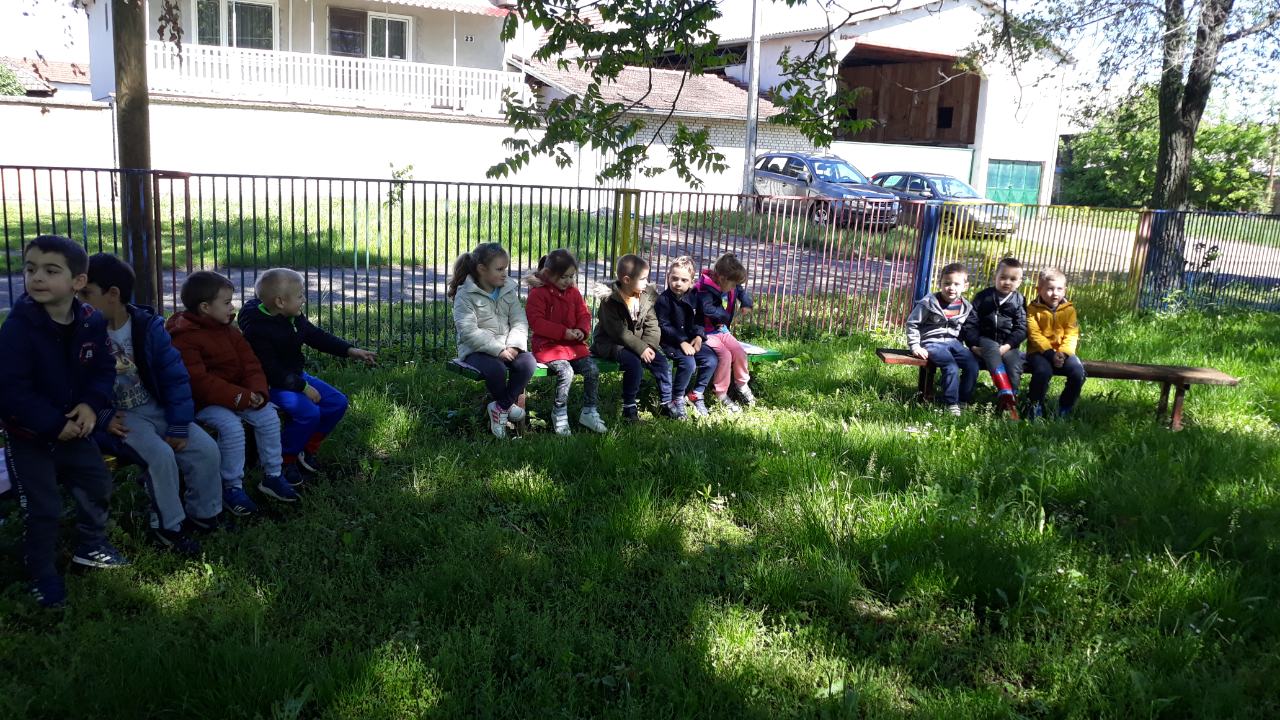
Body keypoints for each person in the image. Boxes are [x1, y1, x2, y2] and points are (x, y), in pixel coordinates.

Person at [0, 236, 128, 608]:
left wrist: (90, 405)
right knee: (43, 508)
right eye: (30, 269)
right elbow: (10, 390)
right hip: (30, 435)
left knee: (97, 483)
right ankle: (41, 574)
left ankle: (91, 545)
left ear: (77, 281)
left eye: (51, 270)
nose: (37, 277)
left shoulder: (90, 321)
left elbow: (103, 370)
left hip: (76, 429)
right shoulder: (19, 328)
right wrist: (53, 424)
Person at [83, 253, 223, 555]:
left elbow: (175, 377)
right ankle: (168, 527)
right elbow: (76, 385)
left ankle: (204, 514)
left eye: (86, 293)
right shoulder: (82, 332)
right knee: (159, 456)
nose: (79, 301)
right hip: (120, 418)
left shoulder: (148, 327)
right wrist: (103, 416)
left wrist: (179, 422)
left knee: (205, 449)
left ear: (112, 294)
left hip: (155, 408)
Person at [237, 268, 377, 487]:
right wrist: (303, 387)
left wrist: (349, 350)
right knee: (309, 413)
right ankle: (285, 459)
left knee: (337, 402)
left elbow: (314, 335)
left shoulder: (291, 316)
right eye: (300, 295)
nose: (304, 299)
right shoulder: (257, 330)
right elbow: (272, 371)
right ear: (280, 302)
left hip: (294, 376)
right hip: (270, 384)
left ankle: (306, 448)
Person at [167, 271, 286, 516]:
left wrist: (257, 392)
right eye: (227, 302)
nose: (233, 307)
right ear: (205, 307)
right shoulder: (184, 337)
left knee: (268, 416)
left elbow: (251, 364)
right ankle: (231, 486)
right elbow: (199, 383)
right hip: (204, 402)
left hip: (237, 395)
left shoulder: (229, 331)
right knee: (232, 428)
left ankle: (273, 475)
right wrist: (241, 397)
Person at [449, 243, 535, 439]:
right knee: (497, 369)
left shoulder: (507, 290)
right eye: (499, 269)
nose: (505, 274)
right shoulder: (465, 295)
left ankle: (500, 407)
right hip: (476, 351)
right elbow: (469, 332)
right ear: (482, 269)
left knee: (528, 362)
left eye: (506, 268)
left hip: (508, 347)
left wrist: (514, 346)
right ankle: (507, 406)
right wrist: (498, 350)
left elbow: (519, 320)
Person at [524, 249, 608, 436]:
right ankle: (559, 412)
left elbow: (584, 314)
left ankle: (589, 411)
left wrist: (581, 330)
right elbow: (537, 322)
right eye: (563, 277)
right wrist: (563, 332)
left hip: (573, 347)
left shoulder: (573, 292)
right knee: (566, 371)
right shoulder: (538, 294)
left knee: (592, 370)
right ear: (548, 274)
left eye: (571, 276)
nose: (568, 281)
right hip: (548, 347)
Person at [590, 254, 673, 423]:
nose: (646, 282)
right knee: (633, 363)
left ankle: (667, 403)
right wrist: (640, 348)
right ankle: (629, 408)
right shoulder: (610, 300)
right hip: (611, 343)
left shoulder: (645, 296)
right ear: (627, 280)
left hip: (638, 344)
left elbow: (652, 324)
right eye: (642, 279)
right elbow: (617, 331)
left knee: (661, 363)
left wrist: (648, 347)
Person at [905, 262, 979, 415]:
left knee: (972, 364)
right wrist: (915, 346)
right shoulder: (929, 303)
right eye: (947, 283)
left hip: (954, 343)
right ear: (940, 283)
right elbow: (912, 323)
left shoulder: (966, 307)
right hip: (932, 343)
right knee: (950, 366)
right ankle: (951, 403)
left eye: (956, 284)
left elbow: (968, 329)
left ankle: (963, 400)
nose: (951, 288)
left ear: (965, 286)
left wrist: (974, 346)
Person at [655, 256, 719, 418]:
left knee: (711, 360)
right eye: (674, 278)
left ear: (691, 282)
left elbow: (700, 319)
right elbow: (664, 325)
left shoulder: (694, 297)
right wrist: (681, 341)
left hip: (691, 340)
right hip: (671, 343)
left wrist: (699, 336)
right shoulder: (663, 300)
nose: (678, 283)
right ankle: (677, 397)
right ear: (668, 277)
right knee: (689, 364)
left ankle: (696, 393)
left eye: (684, 280)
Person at [693, 253, 756, 413]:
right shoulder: (704, 289)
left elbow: (739, 290)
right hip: (706, 333)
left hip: (721, 330)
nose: (735, 287)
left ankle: (742, 384)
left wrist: (746, 302)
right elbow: (707, 309)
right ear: (722, 278)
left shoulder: (728, 282)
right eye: (733, 284)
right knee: (725, 355)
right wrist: (725, 316)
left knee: (739, 351)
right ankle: (721, 393)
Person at [963, 257, 1028, 407]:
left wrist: (1008, 345)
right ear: (995, 277)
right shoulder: (983, 297)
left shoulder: (1019, 301)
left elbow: (1022, 327)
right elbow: (970, 323)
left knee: (1014, 364)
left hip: (1009, 345)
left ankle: (1009, 401)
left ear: (1019, 282)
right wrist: (973, 345)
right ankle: (1003, 388)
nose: (1007, 282)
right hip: (985, 340)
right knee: (991, 348)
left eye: (1013, 279)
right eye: (1003, 277)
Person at [1025, 267, 1086, 418]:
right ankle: (1035, 406)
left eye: (1059, 289)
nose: (1055, 293)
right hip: (1039, 352)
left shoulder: (1069, 310)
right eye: (1050, 289)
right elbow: (1034, 334)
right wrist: (1050, 354)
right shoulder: (1032, 309)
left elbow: (1071, 334)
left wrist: (1063, 353)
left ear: (1065, 290)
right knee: (1043, 371)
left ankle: (1065, 407)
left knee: (1078, 372)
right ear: (1039, 290)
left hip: (1063, 352)